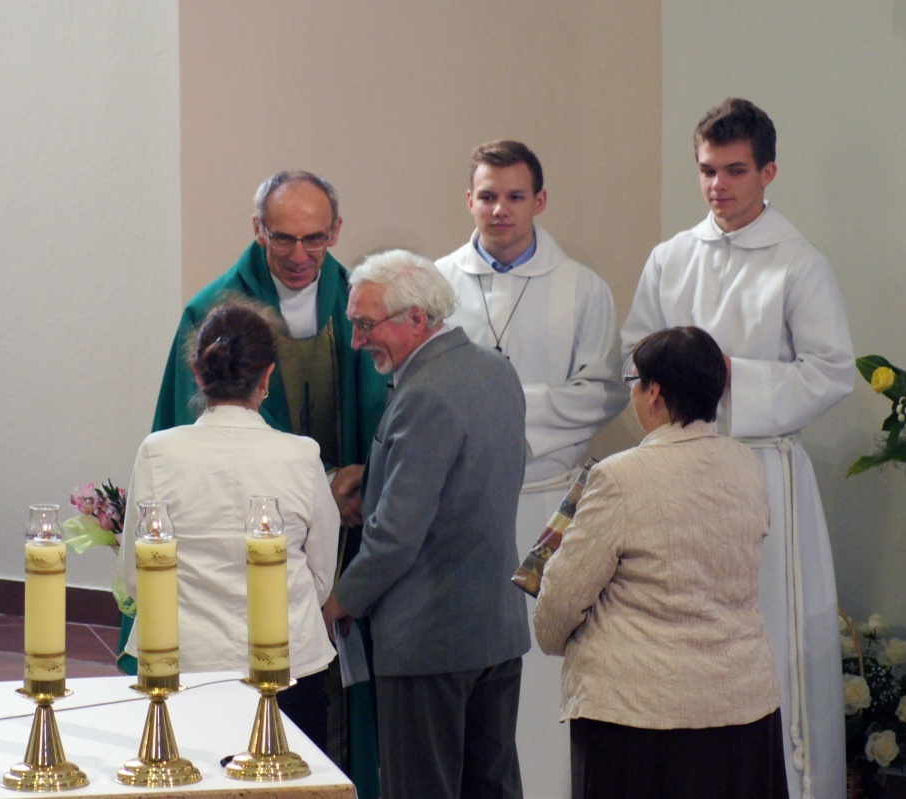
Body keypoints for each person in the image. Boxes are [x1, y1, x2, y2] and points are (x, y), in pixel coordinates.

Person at [620, 98, 855, 799]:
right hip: (678, 472)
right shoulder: (671, 257)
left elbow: (831, 371)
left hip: (761, 469)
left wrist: (727, 378)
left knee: (766, 633)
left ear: (768, 172)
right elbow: (636, 356)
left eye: (734, 171)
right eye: (706, 171)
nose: (717, 186)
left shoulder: (798, 263)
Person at [138, 170, 385, 797]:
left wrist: (366, 483)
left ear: (336, 231)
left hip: (351, 522)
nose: (300, 256)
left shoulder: (359, 305)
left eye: (315, 238)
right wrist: (322, 488)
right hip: (278, 561)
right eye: (284, 238)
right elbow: (205, 441)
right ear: (258, 230)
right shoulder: (213, 313)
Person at [435, 140, 628, 796]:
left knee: (544, 670)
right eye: (488, 196)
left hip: (549, 504)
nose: (501, 209)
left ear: (539, 201)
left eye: (515, 196)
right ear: (469, 200)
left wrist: (503, 415)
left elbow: (602, 392)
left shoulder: (582, 287)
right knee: (474, 666)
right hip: (464, 509)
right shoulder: (437, 284)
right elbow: (421, 391)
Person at [534, 326, 786, 799]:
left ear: (654, 393)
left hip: (638, 716)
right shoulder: (746, 465)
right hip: (740, 703)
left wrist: (550, 638)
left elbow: (564, 597)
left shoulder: (619, 477)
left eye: (634, 381)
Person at [322, 249, 531, 799]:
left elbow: (396, 535)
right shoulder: (495, 370)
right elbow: (479, 480)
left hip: (429, 641)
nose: (357, 342)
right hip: (496, 630)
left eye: (366, 325)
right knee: (492, 789)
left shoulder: (423, 393)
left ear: (416, 318)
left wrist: (341, 600)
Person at [117, 301, 339, 752]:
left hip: (186, 666)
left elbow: (134, 578)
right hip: (289, 669)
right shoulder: (302, 456)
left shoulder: (158, 453)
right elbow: (319, 579)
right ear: (268, 377)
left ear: (197, 372)